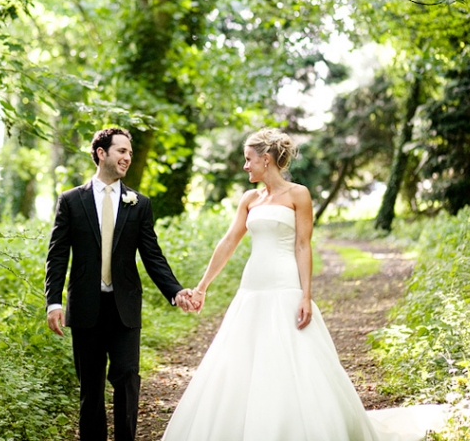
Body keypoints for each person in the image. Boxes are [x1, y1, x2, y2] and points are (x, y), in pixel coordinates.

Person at [162, 128, 448, 441]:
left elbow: (302, 245)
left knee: (293, 353)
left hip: (286, 284)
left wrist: (306, 295)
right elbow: (229, 241)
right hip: (252, 286)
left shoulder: (299, 195)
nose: (245, 166)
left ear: (266, 160)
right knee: (243, 354)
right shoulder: (249, 199)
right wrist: (203, 286)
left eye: (249, 159)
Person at [45, 127, 195, 441]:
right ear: (102, 153)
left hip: (124, 306)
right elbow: (57, 254)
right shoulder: (71, 200)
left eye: (129, 152)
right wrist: (54, 302)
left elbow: (152, 255)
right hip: (86, 306)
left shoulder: (138, 204)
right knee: (91, 388)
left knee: (127, 377)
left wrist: (175, 290)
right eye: (121, 151)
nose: (127, 157)